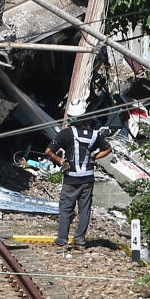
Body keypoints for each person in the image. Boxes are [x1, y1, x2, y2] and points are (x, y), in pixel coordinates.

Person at [45, 103, 113, 249]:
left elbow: (49, 150)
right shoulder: (94, 135)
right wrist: (94, 157)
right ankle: (80, 241)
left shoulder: (66, 133)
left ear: (70, 117)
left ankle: (62, 240)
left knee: (65, 208)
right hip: (88, 178)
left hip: (71, 177)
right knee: (85, 209)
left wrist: (60, 161)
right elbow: (108, 148)